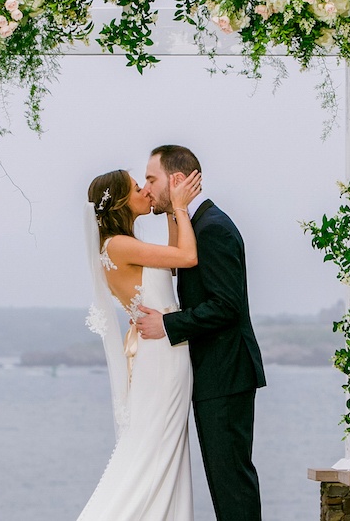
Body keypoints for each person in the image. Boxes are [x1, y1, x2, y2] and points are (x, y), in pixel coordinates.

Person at [135, 144, 266, 521]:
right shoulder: (197, 225)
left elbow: (227, 306)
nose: (147, 187)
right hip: (216, 373)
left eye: (151, 178)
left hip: (225, 373)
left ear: (176, 180)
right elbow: (180, 258)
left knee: (231, 483)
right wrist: (175, 211)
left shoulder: (214, 229)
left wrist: (167, 325)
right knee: (224, 482)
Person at [77, 167, 203, 521]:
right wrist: (178, 206)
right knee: (154, 449)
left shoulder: (122, 245)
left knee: (161, 447)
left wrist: (168, 209)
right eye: (137, 188)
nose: (145, 192)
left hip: (163, 352)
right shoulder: (119, 245)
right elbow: (188, 258)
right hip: (162, 357)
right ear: (120, 201)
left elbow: (174, 257)